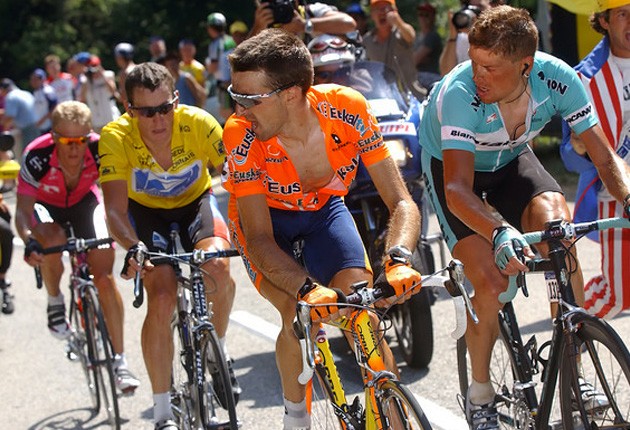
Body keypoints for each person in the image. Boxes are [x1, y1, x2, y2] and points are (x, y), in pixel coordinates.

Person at [416, 6, 630, 429]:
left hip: (512, 159)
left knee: (559, 235)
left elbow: (604, 156)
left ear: (525, 66)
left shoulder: (558, 79)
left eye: (490, 68)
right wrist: (498, 231)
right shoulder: (460, 93)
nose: (477, 74)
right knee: (493, 283)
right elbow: (457, 190)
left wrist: (627, 197)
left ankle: (573, 365)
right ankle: (480, 394)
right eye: (474, 62)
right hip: (455, 172)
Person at [222, 28, 422, 430]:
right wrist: (305, 289)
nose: (240, 110)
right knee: (298, 316)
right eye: (235, 96)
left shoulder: (348, 109)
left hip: (323, 213)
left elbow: (401, 202)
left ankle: (394, 417)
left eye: (250, 99)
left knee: (361, 313)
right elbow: (258, 238)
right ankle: (296, 419)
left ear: (291, 94)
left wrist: (399, 258)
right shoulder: (240, 134)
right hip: (268, 224)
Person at [98, 62, 238, 430]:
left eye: (165, 108)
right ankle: (162, 412)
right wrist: (132, 247)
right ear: (129, 109)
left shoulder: (199, 123)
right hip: (146, 216)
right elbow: (114, 211)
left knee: (218, 267)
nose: (159, 119)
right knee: (161, 297)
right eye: (147, 112)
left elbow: (238, 179)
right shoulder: (115, 136)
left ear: (176, 100)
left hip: (195, 205)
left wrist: (248, 228)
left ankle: (217, 349)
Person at [15, 100, 140, 394]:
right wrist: (29, 240)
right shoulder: (37, 156)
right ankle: (55, 299)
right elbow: (22, 211)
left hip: (85, 203)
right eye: (67, 142)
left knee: (105, 278)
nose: (75, 149)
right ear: (54, 137)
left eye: (81, 140)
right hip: (47, 208)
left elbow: (115, 199)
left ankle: (121, 362)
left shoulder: (99, 148)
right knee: (52, 240)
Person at [560, 0, 630, 320]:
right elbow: (568, 159)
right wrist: (578, 147)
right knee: (618, 296)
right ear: (604, 21)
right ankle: (574, 326)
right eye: (623, 14)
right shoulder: (583, 79)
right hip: (615, 196)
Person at [249, 0, 357, 40]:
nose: (281, 7)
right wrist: (257, 28)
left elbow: (349, 24)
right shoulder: (264, 25)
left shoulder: (312, 12)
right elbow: (242, 59)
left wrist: (304, 25)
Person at [438, 0, 490, 76]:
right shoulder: (461, 38)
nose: (473, 11)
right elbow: (446, 73)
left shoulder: (501, 36)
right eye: (468, 5)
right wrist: (453, 36)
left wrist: (480, 35)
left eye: (479, 7)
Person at [77, 55, 121, 132]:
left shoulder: (108, 75)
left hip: (111, 117)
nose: (93, 72)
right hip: (96, 121)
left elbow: (113, 91)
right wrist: (87, 78)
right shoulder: (85, 81)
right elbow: (82, 100)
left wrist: (102, 74)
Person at [0, 78, 38, 157]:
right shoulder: (26, 93)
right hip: (37, 125)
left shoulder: (10, 97)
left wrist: (3, 128)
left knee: (27, 154)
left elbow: (10, 117)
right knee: (35, 151)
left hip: (27, 129)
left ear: (3, 89)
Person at [413, 3, 442, 90]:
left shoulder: (432, 36)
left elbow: (415, 60)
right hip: (418, 75)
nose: (423, 18)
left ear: (433, 17)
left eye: (426, 15)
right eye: (420, 15)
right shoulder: (417, 36)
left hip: (430, 76)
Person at [29, 68, 58, 135]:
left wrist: (42, 120)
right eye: (32, 79)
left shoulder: (47, 91)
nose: (34, 81)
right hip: (41, 127)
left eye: (37, 79)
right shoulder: (36, 92)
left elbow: (54, 107)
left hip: (49, 126)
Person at [114, 42, 136, 107]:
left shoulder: (124, 73)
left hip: (133, 109)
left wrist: (113, 92)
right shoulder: (139, 68)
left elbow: (123, 98)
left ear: (120, 57)